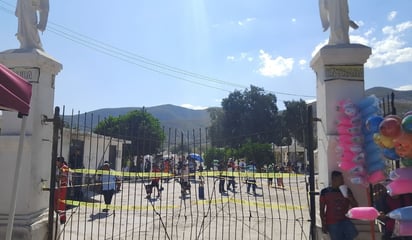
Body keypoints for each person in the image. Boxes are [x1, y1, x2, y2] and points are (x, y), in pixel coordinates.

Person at [320, 170, 358, 240]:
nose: (343, 181)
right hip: (332, 222)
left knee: (353, 234)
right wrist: (323, 224)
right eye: (340, 179)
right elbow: (322, 209)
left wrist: (351, 198)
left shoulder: (347, 190)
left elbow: (355, 207)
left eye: (342, 179)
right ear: (334, 180)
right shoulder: (325, 192)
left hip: (345, 220)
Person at [55, 157, 69, 224]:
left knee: (61, 203)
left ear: (59, 162)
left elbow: (64, 177)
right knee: (58, 202)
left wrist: (57, 177)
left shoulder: (64, 167)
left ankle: (61, 218)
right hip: (59, 186)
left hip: (63, 186)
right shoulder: (59, 167)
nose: (56, 163)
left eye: (57, 162)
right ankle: (60, 217)